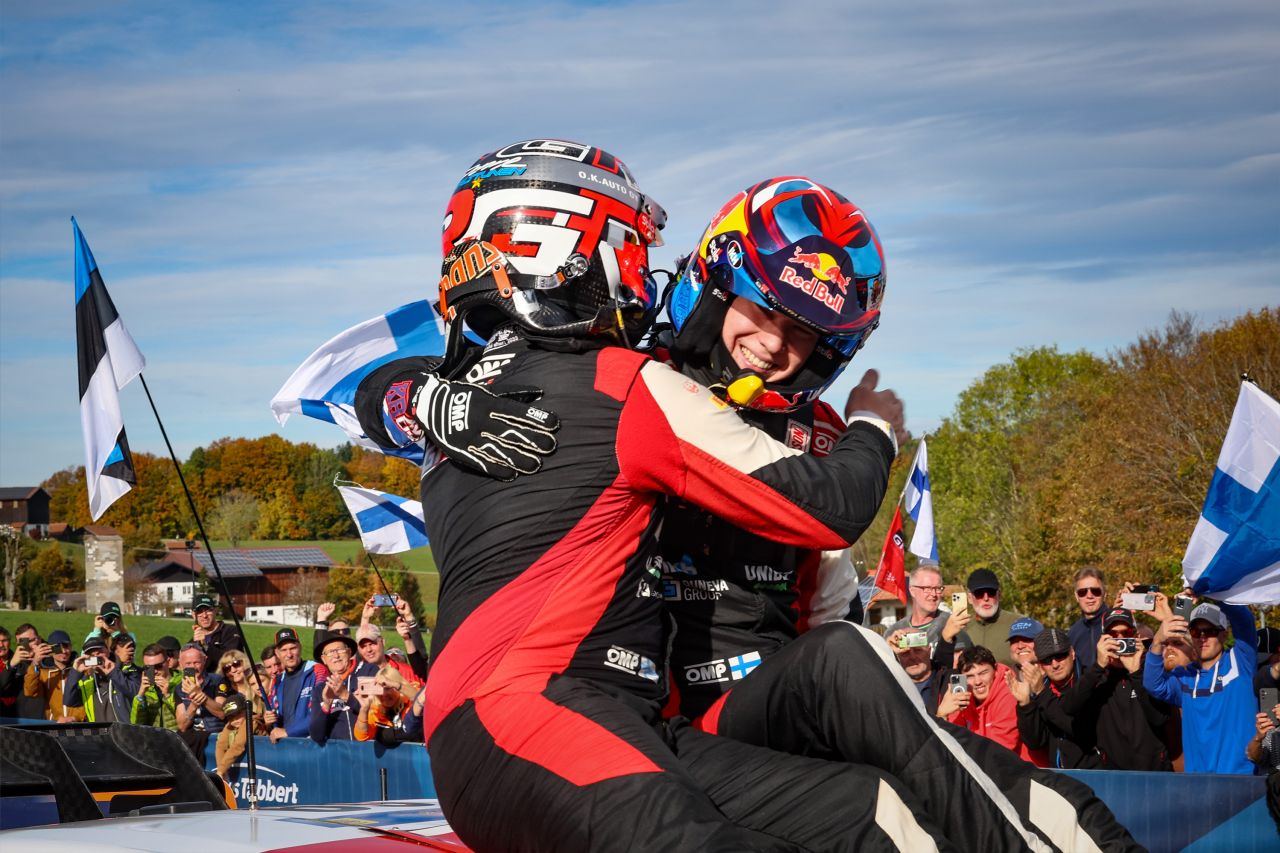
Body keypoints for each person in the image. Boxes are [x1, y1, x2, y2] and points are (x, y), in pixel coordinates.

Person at [360, 152, 1137, 850]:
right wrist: (416, 394)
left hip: (758, 710)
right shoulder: (633, 370)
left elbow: (831, 612)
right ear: (714, 284)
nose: (773, 344)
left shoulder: (818, 435)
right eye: (763, 310)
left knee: (879, 722)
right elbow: (452, 363)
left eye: (805, 336)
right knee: (854, 731)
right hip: (643, 718)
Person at [1145, 598, 1258, 774]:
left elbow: (1243, 619)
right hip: (1197, 782)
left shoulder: (1241, 662)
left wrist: (1212, 591)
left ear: (1224, 635)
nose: (1202, 637)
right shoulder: (1185, 676)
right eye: (1196, 632)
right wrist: (1159, 640)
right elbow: (1153, 684)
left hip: (1240, 779)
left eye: (1210, 631)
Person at [1060, 609, 1172, 771]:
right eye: (1113, 634)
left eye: (1126, 633)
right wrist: (1099, 665)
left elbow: (1159, 718)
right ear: (1103, 639)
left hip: (1154, 772)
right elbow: (1069, 708)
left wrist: (1135, 672)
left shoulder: (1150, 672)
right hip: (1113, 774)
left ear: (1136, 637)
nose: (1120, 640)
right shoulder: (1095, 677)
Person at [1013, 627, 1098, 769]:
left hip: (1096, 773)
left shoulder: (1090, 682)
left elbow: (1081, 731)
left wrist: (1042, 693)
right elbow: (1035, 742)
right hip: (1059, 776)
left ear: (1072, 653)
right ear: (1040, 664)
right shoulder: (1041, 687)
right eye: (1047, 660)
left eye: (1060, 656)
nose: (1055, 664)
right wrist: (1025, 704)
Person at [947, 646, 1037, 765]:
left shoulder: (1009, 693)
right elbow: (949, 743)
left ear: (995, 670)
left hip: (1020, 769)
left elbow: (1000, 751)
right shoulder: (962, 695)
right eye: (970, 676)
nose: (978, 681)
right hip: (982, 767)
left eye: (983, 673)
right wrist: (943, 713)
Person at [887, 564, 971, 654]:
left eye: (938, 588)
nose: (934, 594)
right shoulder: (894, 631)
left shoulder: (953, 624)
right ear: (912, 590)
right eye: (927, 588)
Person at [63, 632, 133, 722]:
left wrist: (113, 673)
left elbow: (134, 694)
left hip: (123, 730)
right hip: (98, 730)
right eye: (91, 655)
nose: (96, 657)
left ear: (108, 652)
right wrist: (75, 672)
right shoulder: (87, 681)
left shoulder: (127, 672)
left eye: (99, 652)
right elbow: (69, 701)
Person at [174, 643, 228, 758]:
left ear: (204, 660)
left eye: (196, 662)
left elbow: (222, 713)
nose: (193, 667)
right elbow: (182, 725)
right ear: (180, 664)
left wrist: (201, 696)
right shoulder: (179, 689)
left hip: (215, 737)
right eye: (188, 663)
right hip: (192, 741)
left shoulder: (217, 681)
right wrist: (194, 704)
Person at [963, 570, 1026, 667]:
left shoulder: (1020, 623)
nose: (986, 598)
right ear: (970, 598)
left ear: (999, 595)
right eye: (979, 593)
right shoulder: (961, 627)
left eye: (991, 592)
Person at [310, 630, 361, 744]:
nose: (336, 656)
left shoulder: (366, 673)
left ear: (349, 652)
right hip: (338, 753)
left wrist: (345, 695)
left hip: (368, 749)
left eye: (339, 650)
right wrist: (326, 706)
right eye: (330, 652)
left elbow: (375, 713)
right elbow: (316, 736)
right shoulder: (320, 690)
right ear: (324, 659)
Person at [267, 627, 315, 743]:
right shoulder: (277, 682)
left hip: (311, 746)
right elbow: (277, 724)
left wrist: (289, 732)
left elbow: (321, 714)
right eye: (284, 650)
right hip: (286, 747)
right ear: (277, 653)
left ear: (300, 647)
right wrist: (269, 720)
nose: (289, 654)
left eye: (293, 648)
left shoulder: (316, 671)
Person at [353, 663, 421, 745]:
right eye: (379, 689)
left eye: (388, 688)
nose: (384, 694)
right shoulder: (376, 710)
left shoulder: (411, 700)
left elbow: (421, 701)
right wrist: (364, 709)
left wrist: (397, 685)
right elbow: (361, 736)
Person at [23, 629, 83, 722]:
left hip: (79, 724)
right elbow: (30, 692)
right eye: (58, 647)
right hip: (54, 724)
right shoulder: (44, 672)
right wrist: (35, 663)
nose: (64, 651)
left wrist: (75, 718)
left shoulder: (80, 669)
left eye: (66, 646)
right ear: (50, 649)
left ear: (71, 647)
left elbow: (89, 699)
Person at [132, 642, 180, 729]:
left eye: (158, 666)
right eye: (148, 668)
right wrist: (140, 695)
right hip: (154, 736)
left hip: (176, 736)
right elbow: (136, 724)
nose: (154, 671)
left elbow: (185, 719)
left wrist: (168, 695)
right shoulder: (146, 688)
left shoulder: (181, 682)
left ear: (168, 662)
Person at [191, 592, 244, 672]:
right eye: (199, 612)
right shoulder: (193, 642)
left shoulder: (230, 631)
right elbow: (189, 667)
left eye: (208, 610)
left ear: (215, 611)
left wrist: (205, 645)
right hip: (206, 680)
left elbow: (230, 660)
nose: (204, 615)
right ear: (193, 615)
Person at [1069, 567, 1108, 670]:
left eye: (1095, 591)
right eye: (1082, 592)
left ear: (1104, 594)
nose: (1089, 596)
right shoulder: (1073, 633)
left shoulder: (1117, 624)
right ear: (1076, 596)